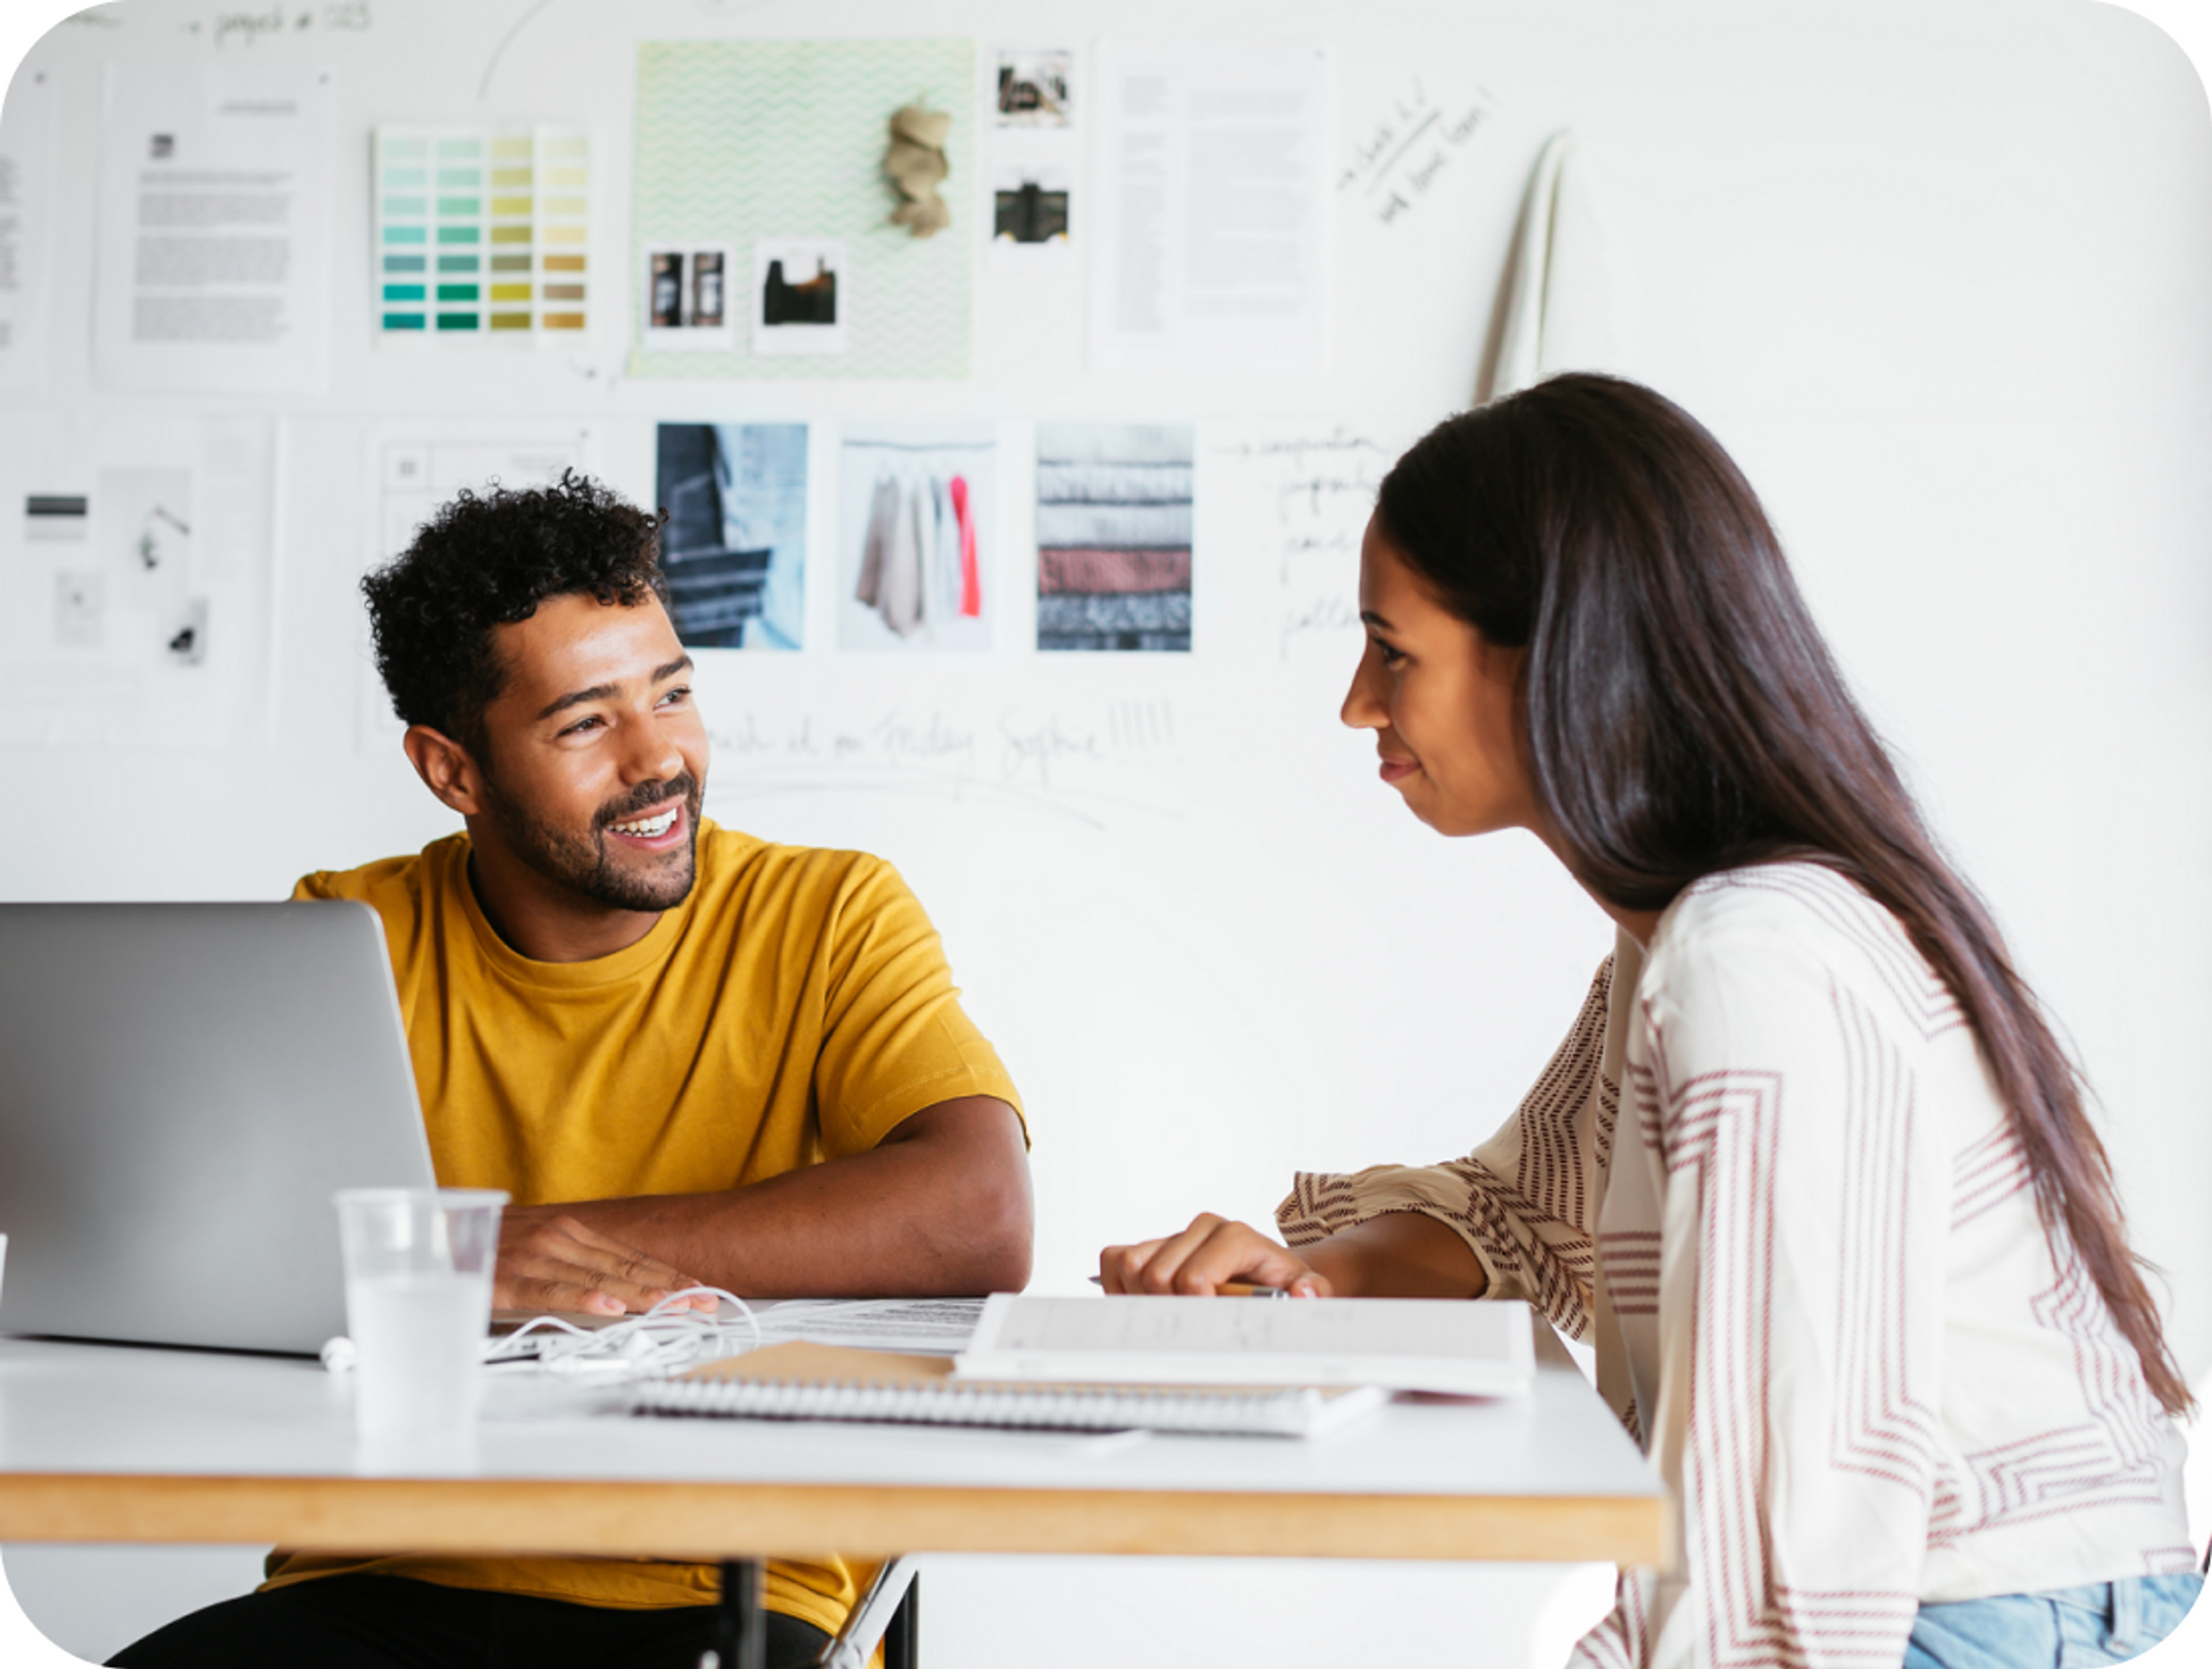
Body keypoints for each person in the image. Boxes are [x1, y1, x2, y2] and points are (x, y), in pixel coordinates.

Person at [1099, 375, 2202, 1668]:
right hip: (1937, 1585)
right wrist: (1309, 1278)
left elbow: (1787, 1530)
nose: (1358, 701)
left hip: (1968, 1599)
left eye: (1393, 651)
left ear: (1556, 654)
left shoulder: (1753, 960)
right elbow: (1527, 1212)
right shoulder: (1688, 935)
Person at [114, 472, 1032, 1669]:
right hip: (380, 1557)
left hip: (714, 1575)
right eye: (587, 723)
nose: (663, 760)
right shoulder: (349, 931)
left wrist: (512, 1249)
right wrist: (474, 1261)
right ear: (453, 771)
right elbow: (213, 1249)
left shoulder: (830, 912)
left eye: (675, 692)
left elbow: (979, 1209)